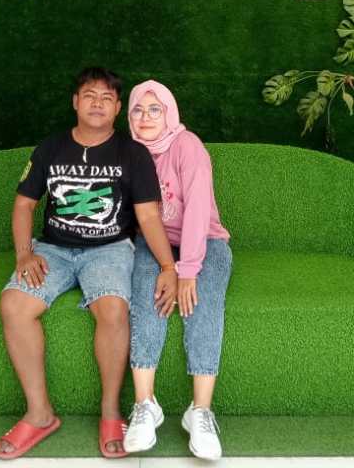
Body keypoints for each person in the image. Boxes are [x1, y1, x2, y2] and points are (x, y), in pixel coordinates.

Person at [0, 67, 179, 461]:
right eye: (90, 95)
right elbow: (24, 205)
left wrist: (168, 267)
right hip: (53, 249)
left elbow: (148, 216)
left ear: (118, 109)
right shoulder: (50, 148)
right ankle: (40, 414)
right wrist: (24, 253)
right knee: (14, 304)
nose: (98, 103)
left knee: (112, 309)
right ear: (75, 102)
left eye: (107, 98)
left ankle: (110, 412)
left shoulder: (133, 153)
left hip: (110, 248)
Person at [122, 80, 232, 462]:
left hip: (205, 241)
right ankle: (145, 405)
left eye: (155, 109)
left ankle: (200, 411)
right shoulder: (128, 151)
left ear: (169, 113)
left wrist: (187, 270)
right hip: (153, 244)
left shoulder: (188, 146)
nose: (146, 117)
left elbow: (198, 210)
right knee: (146, 294)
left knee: (201, 301)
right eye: (138, 109)